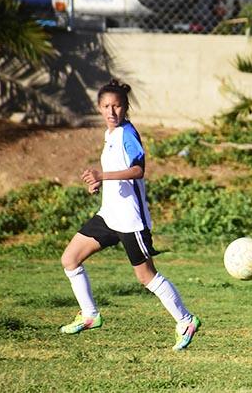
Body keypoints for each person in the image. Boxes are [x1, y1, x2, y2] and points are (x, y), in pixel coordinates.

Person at [59, 79, 200, 351]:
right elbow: (117, 171)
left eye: (117, 106)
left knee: (146, 277)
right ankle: (90, 315)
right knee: (70, 259)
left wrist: (103, 175)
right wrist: (99, 182)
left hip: (131, 220)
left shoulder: (127, 134)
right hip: (109, 215)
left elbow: (138, 170)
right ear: (99, 108)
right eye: (106, 106)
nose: (111, 111)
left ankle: (185, 320)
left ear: (125, 108)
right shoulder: (109, 134)